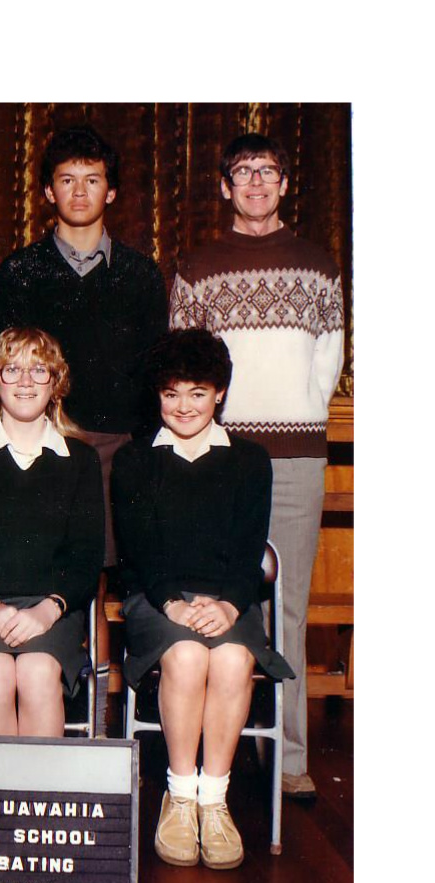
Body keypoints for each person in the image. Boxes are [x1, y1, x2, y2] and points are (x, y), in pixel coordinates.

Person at [169, 132, 344, 800]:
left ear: (284, 183)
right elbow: (185, 364)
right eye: (242, 172)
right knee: (218, 597)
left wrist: (297, 419)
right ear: (225, 187)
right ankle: (220, 750)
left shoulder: (317, 265)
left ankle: (288, 759)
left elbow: (327, 362)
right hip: (220, 460)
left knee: (287, 609)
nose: (255, 183)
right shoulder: (198, 266)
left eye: (267, 171)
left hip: (295, 456)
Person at [0, 125, 168, 730]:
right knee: (55, 576)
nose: (81, 191)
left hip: (117, 448)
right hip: (43, 445)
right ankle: (51, 715)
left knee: (107, 581)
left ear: (111, 192)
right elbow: (2, 368)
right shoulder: (20, 272)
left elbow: (154, 376)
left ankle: (100, 723)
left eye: (93, 179)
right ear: (48, 192)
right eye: (67, 180)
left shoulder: (141, 275)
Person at [112, 330, 294, 869]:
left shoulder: (249, 460)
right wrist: (171, 603)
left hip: (227, 600)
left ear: (219, 393)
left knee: (233, 658)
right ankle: (179, 795)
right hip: (157, 600)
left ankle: (214, 800)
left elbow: (249, 549)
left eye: (197, 392)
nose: (184, 406)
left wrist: (231, 605)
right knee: (188, 655)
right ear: (158, 395)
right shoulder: (134, 460)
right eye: (171, 393)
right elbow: (138, 549)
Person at [0, 327, 104, 737]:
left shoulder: (80, 459)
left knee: (38, 671)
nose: (25, 381)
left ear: (55, 383)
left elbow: (86, 557)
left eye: (38, 370)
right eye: (12, 369)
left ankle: (41, 783)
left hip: (52, 610)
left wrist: (47, 610)